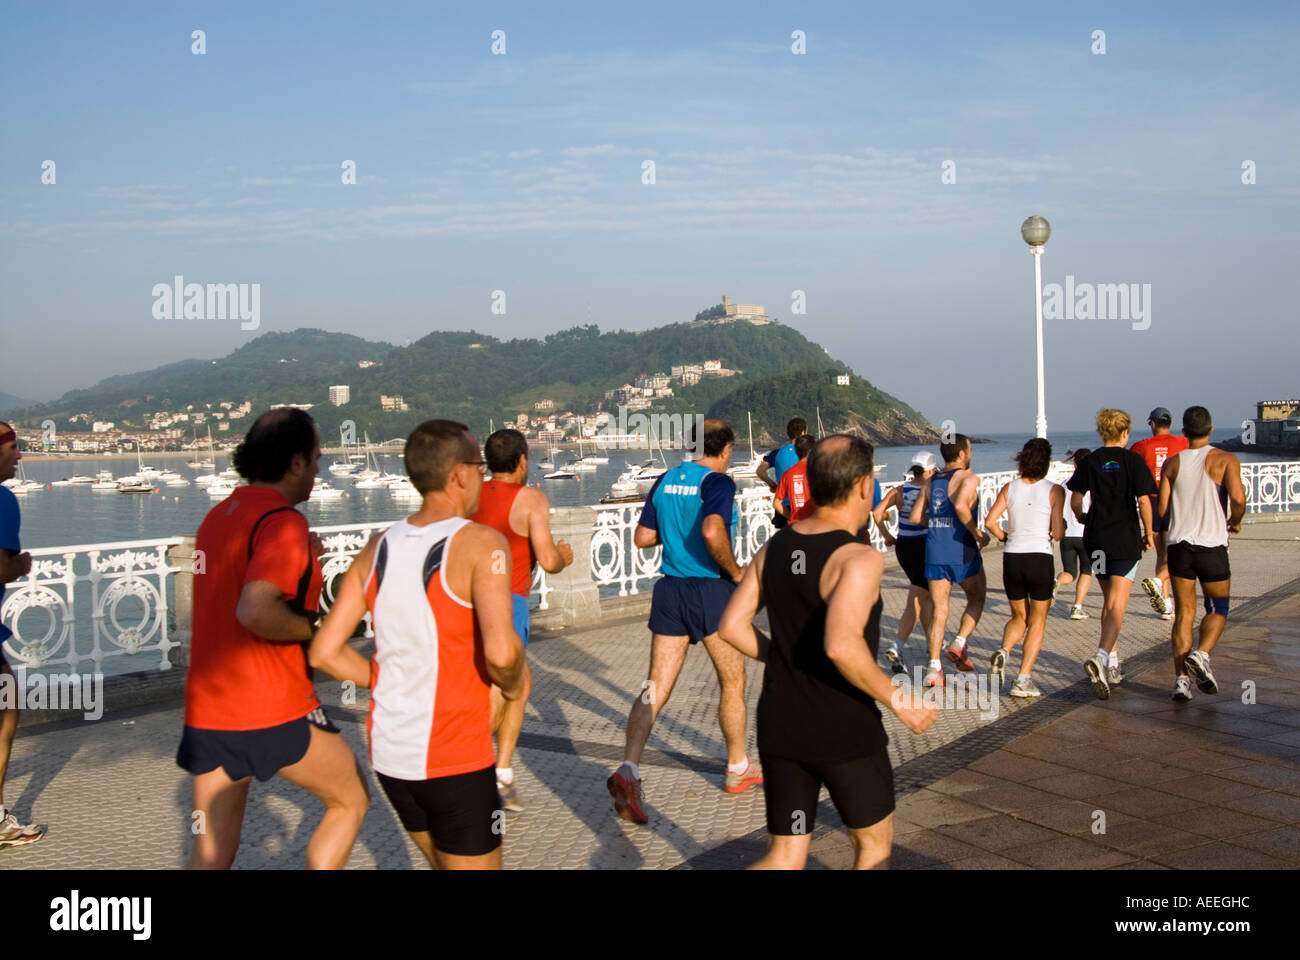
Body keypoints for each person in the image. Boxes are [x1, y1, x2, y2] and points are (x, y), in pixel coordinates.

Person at [310, 420, 528, 869]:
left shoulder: (376, 547)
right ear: (458, 474)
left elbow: (325, 652)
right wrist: (513, 687)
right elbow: (502, 654)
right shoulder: (481, 542)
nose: (484, 478)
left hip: (391, 755)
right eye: (479, 467)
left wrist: (382, 678)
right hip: (455, 753)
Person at [717, 435, 936, 869]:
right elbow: (840, 645)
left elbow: (731, 626)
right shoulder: (858, 558)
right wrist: (897, 698)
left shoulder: (775, 548)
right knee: (872, 848)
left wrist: (783, 655)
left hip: (781, 723)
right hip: (843, 728)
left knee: (785, 854)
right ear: (863, 486)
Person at [177, 408, 369, 869]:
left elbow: (234, 593)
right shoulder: (284, 522)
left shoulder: (219, 516)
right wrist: (315, 627)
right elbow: (255, 609)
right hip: (271, 705)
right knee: (351, 801)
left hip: (210, 707)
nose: (320, 468)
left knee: (213, 848)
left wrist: (307, 560)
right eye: (317, 458)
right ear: (296, 463)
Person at [608, 417, 762, 824]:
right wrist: (734, 572)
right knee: (732, 680)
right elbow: (713, 530)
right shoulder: (718, 483)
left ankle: (629, 768)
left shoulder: (664, 479)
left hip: (670, 590)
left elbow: (642, 538)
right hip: (709, 588)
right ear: (724, 450)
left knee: (654, 685)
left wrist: (675, 532)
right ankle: (737, 768)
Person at [469, 429, 574, 811]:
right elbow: (547, 561)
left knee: (515, 685)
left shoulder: (470, 494)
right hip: (507, 603)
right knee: (505, 686)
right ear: (524, 460)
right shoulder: (530, 499)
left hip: (466, 601)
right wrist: (564, 555)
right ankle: (483, 773)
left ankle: (500, 772)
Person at [1067, 409, 1157, 700]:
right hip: (1125, 540)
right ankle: (1102, 655)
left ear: (1101, 433)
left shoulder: (1092, 461)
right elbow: (1143, 501)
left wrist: (1081, 516)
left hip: (1096, 539)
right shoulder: (1133, 460)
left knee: (1109, 601)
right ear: (1125, 433)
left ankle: (1114, 664)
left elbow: (1076, 497)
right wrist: (1149, 533)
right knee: (1117, 605)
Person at [1159, 406, 1246, 702]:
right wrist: (1234, 521)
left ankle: (1181, 681)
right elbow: (1237, 498)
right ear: (1210, 429)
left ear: (1183, 432)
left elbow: (1162, 510)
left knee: (1184, 614)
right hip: (1212, 545)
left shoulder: (1171, 464)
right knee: (1218, 608)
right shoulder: (1226, 459)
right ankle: (1202, 653)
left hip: (1179, 546)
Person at [983, 438, 1066, 698]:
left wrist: (1004, 536)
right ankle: (1023, 680)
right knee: (1037, 621)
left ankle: (1004, 651)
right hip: (1039, 558)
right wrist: (1059, 522)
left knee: (1019, 617)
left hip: (1013, 558)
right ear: (1046, 462)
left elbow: (990, 521)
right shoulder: (1055, 491)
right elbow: (1058, 533)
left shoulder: (1010, 488)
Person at [908, 435, 989, 688]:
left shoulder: (932, 481)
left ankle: (934, 669)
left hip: (934, 551)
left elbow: (915, 517)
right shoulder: (968, 477)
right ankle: (960, 642)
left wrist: (935, 525)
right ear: (963, 454)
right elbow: (963, 506)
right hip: (961, 549)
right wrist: (976, 532)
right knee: (977, 597)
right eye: (971, 449)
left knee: (939, 610)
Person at [0, 422, 45, 848]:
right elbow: (0, 567)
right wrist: (22, 565)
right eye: (14, 449)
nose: (19, 457)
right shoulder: (2, 499)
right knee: (6, 710)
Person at [871, 452, 937, 675]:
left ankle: (932, 645)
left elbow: (877, 512)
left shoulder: (899, 490)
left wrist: (886, 535)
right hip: (925, 546)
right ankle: (897, 645)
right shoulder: (931, 489)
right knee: (917, 598)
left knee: (925, 597)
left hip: (904, 547)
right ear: (929, 471)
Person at [1131, 407, 1189, 620]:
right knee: (1177, 553)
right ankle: (1165, 593)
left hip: (1152, 504)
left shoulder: (1140, 446)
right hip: (1176, 502)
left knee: (1161, 553)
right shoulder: (1183, 443)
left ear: (1152, 424)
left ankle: (1165, 601)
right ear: (1170, 424)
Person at [1056, 448, 1094, 621]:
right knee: (1087, 570)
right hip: (1085, 534)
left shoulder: (1064, 484)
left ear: (1074, 463)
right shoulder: (1092, 484)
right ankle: (1077, 607)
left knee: (1069, 573)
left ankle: (1056, 582)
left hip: (1066, 535)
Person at [757, 417, 808, 529]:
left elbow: (760, 471)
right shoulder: (805, 453)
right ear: (803, 432)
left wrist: (773, 485)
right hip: (801, 507)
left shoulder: (777, 453)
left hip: (782, 508)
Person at [772, 434, 816, 523]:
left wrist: (792, 517)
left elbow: (776, 503)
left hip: (795, 526)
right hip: (813, 525)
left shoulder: (787, 474)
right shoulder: (816, 472)